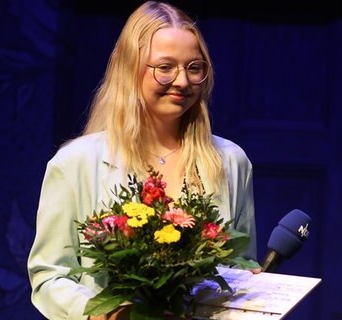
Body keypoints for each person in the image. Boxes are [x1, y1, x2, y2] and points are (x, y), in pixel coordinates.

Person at [27, 1, 261, 319]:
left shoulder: (231, 162)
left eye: (194, 67)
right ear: (129, 69)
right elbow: (49, 277)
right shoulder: (75, 164)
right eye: (165, 67)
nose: (182, 81)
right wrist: (110, 315)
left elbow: (238, 269)